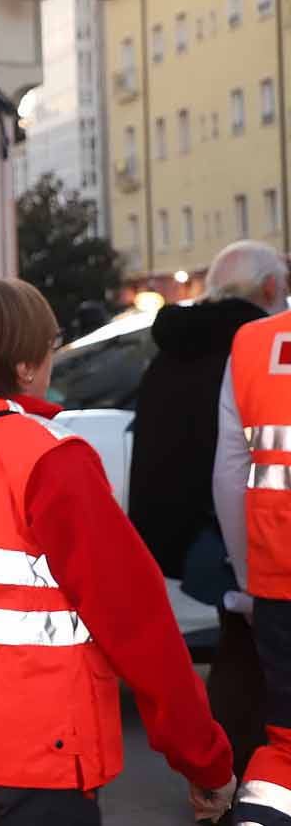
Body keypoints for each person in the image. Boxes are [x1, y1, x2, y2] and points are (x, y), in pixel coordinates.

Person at [0, 277, 233, 825]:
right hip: (32, 753)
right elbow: (137, 623)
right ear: (24, 367)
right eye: (48, 349)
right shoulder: (48, 459)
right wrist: (204, 760)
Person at [131, 240, 285, 778]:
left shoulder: (176, 349)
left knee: (239, 658)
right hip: (241, 538)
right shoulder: (249, 346)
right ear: (270, 288)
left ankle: (222, 779)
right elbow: (230, 466)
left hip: (189, 536)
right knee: (252, 666)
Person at [215, 281, 291, 826]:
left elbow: (230, 474)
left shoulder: (252, 344)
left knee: (284, 739)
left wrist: (250, 580)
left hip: (278, 581)